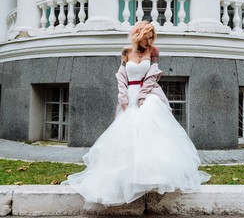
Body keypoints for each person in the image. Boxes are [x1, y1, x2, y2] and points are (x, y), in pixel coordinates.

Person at [63, 21, 211, 206]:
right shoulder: (126, 52)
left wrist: (142, 96)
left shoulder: (153, 51)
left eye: (151, 38)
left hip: (148, 94)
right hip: (129, 95)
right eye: (146, 38)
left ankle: (153, 175)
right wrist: (123, 97)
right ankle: (127, 176)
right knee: (126, 135)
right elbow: (121, 76)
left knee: (151, 127)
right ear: (138, 36)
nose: (149, 41)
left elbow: (152, 75)